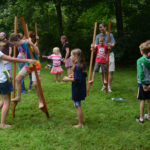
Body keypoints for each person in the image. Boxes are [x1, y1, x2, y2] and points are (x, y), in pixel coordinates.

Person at [0, 50, 35, 128]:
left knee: (2, 100)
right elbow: (12, 59)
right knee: (6, 101)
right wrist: (27, 60)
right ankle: (2, 124)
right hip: (3, 79)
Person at [9, 33, 44, 109]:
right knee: (17, 79)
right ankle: (18, 97)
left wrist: (32, 44)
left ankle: (40, 101)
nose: (14, 45)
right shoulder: (19, 46)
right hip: (28, 65)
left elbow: (38, 53)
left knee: (35, 84)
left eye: (14, 43)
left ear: (18, 40)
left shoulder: (27, 43)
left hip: (35, 64)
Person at [63, 48, 87, 128]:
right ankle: (81, 118)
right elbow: (81, 76)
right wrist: (73, 75)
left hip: (77, 89)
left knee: (77, 106)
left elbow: (76, 79)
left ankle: (80, 124)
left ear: (76, 56)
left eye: (71, 55)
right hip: (81, 88)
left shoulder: (77, 66)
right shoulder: (81, 65)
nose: (70, 57)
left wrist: (67, 79)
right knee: (78, 104)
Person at [95, 23, 115, 92]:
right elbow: (96, 45)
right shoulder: (98, 36)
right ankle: (104, 85)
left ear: (105, 27)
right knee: (102, 71)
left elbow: (113, 43)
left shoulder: (110, 35)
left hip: (109, 54)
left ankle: (108, 86)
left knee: (110, 70)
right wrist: (92, 47)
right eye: (99, 27)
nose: (101, 29)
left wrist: (110, 45)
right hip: (101, 55)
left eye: (101, 27)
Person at [136, 40, 150, 123]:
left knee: (142, 100)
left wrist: (144, 84)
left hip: (142, 84)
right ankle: (149, 116)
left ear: (142, 51)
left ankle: (141, 119)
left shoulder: (139, 61)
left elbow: (140, 73)